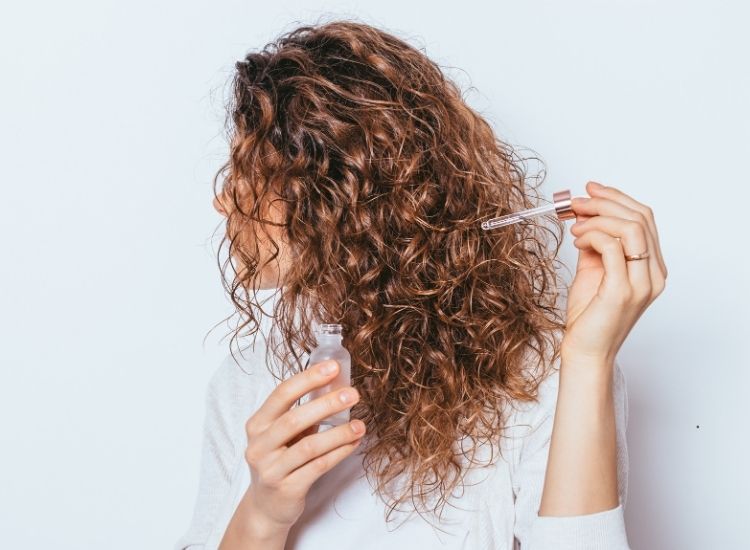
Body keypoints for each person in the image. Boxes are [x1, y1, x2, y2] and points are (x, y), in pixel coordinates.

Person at [174, 19, 667, 550]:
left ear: (337, 197)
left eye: (251, 172)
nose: (224, 200)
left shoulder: (547, 374)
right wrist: (262, 516)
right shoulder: (247, 379)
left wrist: (588, 362)